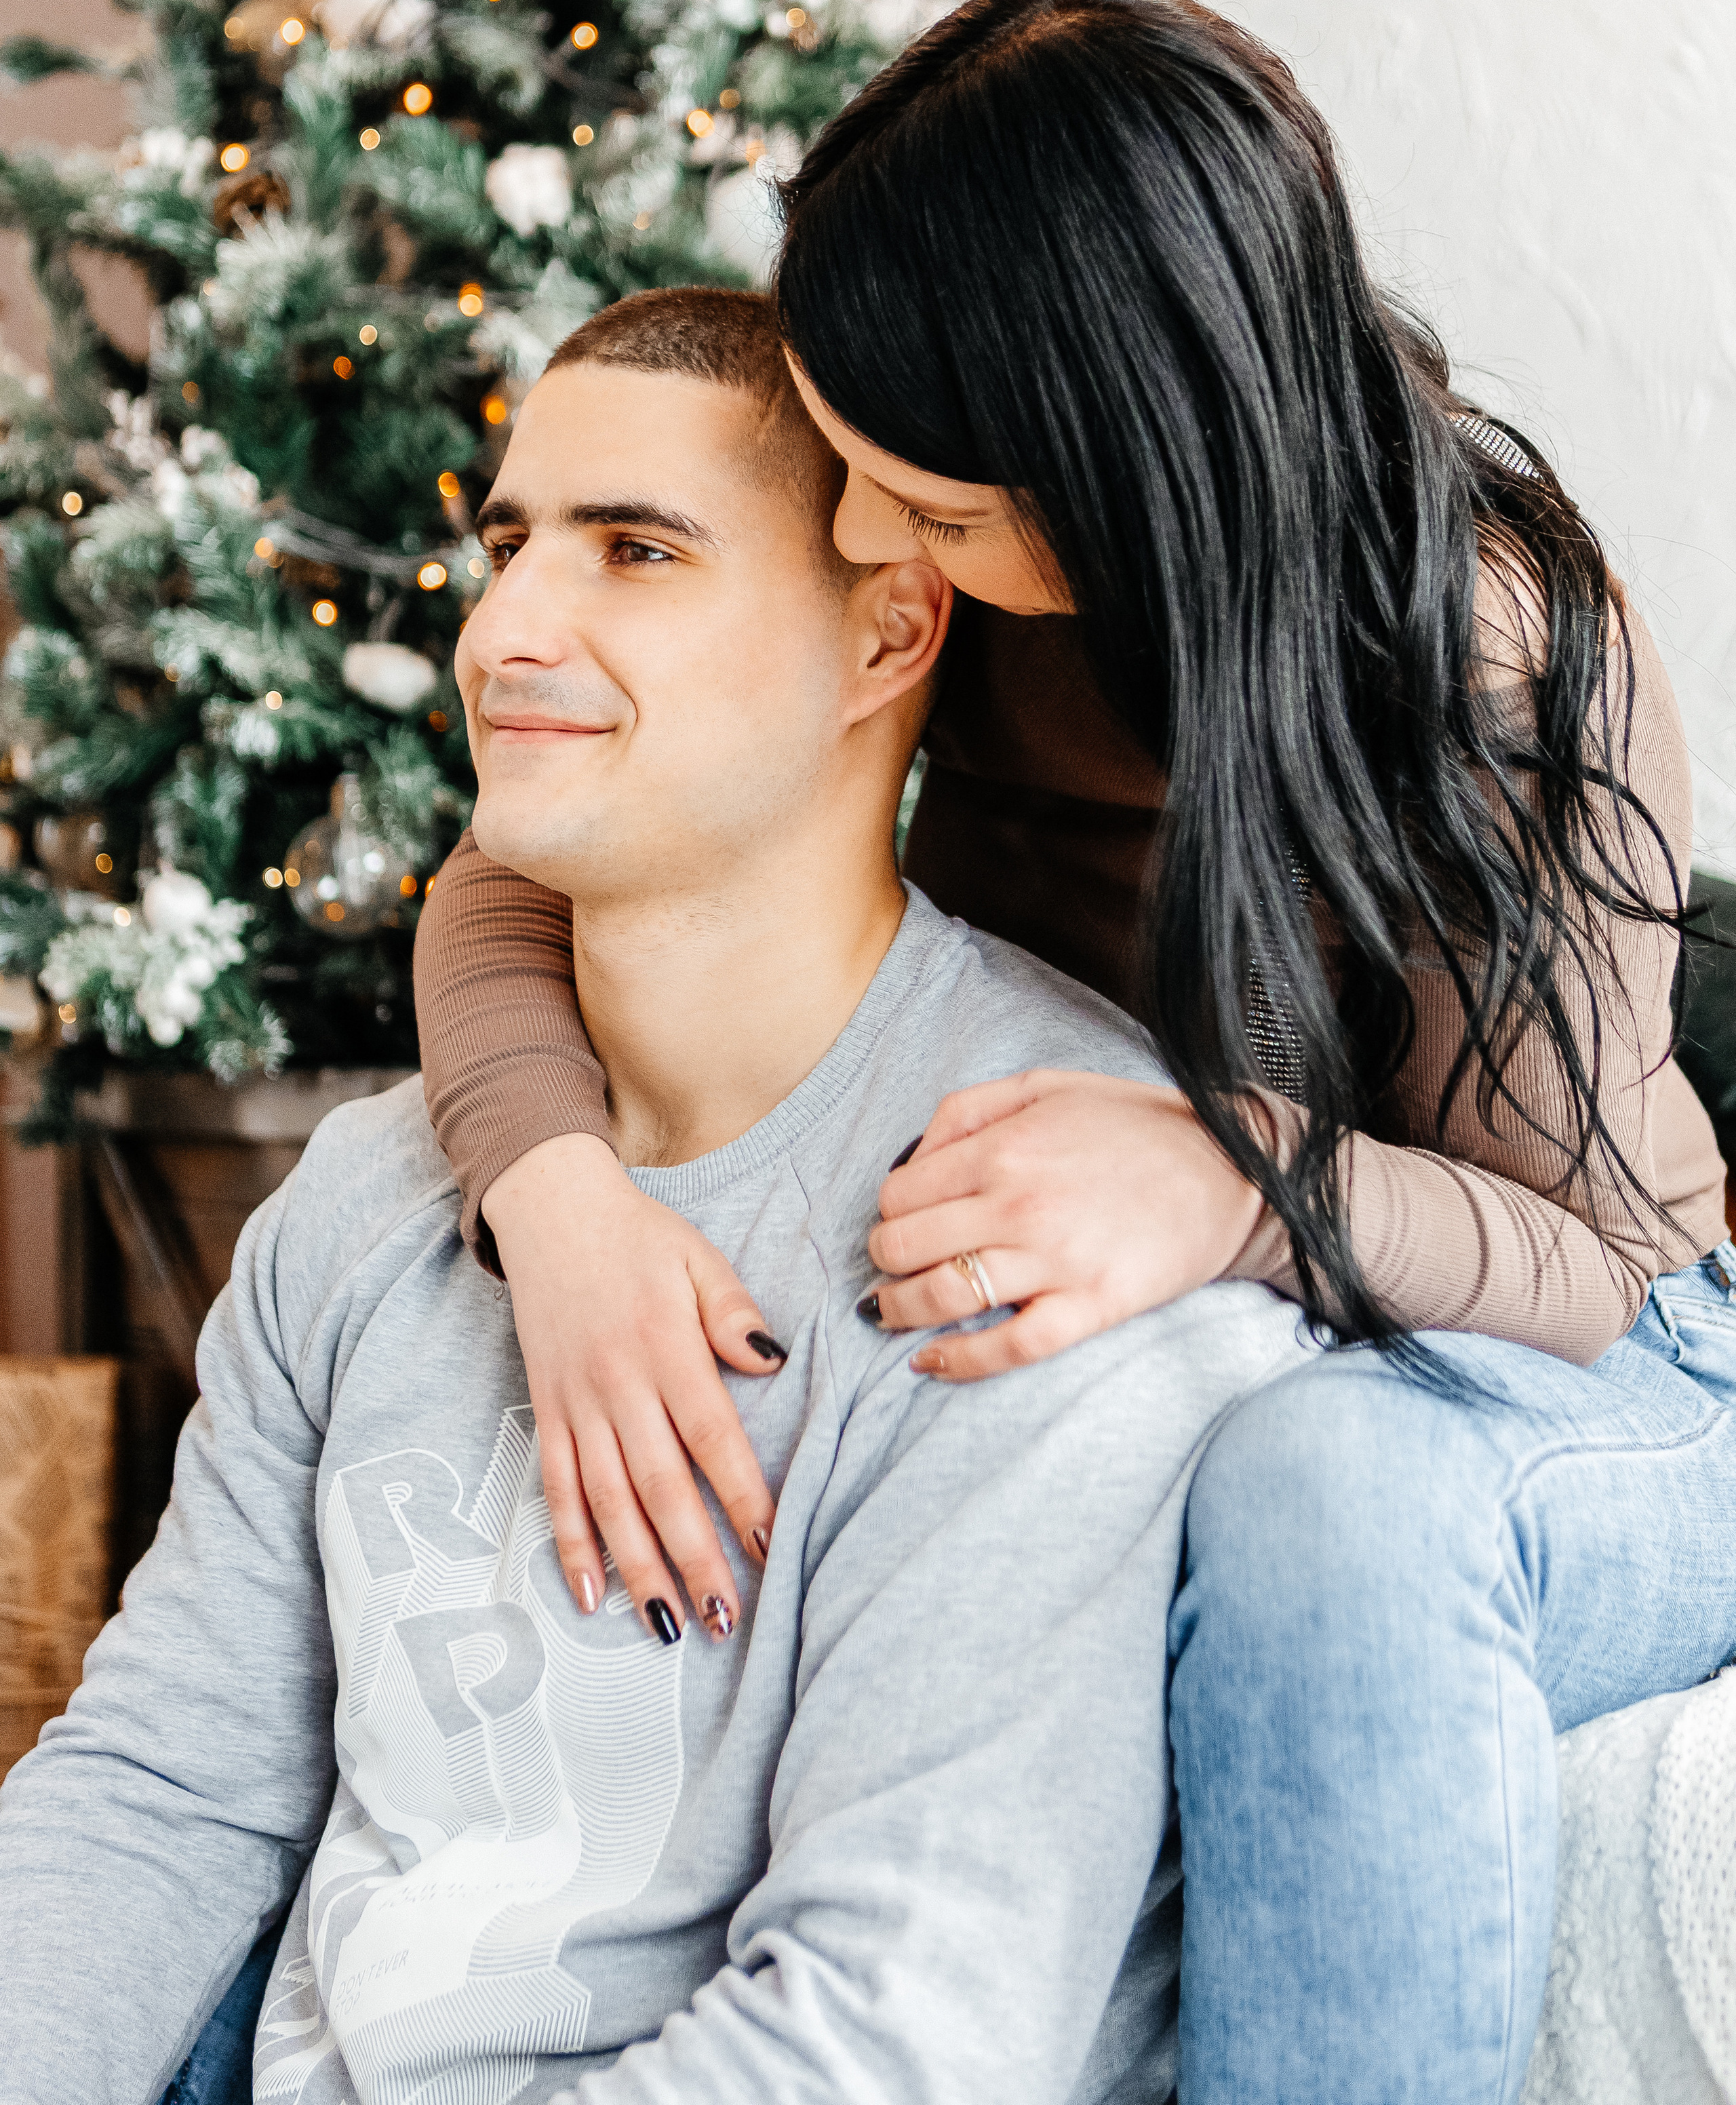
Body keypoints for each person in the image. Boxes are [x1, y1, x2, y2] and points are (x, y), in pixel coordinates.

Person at [411, 0, 1736, 2103]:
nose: (857, 538)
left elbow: (1585, 1267)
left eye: (923, 503)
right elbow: (558, 842)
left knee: (1332, 1484)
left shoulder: (1492, 663)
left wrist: (1234, 1183)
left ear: (1115, 453)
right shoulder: (972, 596)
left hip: (1618, 1368)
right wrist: (548, 1196)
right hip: (1222, 1307)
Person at [0, 287, 1314, 2105]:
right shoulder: (372, 1199)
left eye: (637, 551)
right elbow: (163, 1791)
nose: (508, 629)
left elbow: (894, 2041)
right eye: (508, 540)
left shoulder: (1035, 1228)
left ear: (889, 634)